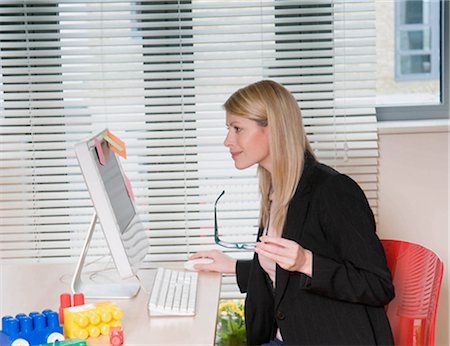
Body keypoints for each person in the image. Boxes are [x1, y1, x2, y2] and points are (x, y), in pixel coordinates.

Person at [190, 80, 395, 345]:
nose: (227, 140)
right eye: (229, 128)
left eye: (237, 128)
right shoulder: (276, 190)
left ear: (273, 129)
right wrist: (232, 266)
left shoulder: (332, 191)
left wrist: (306, 262)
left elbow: (378, 285)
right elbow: (286, 273)